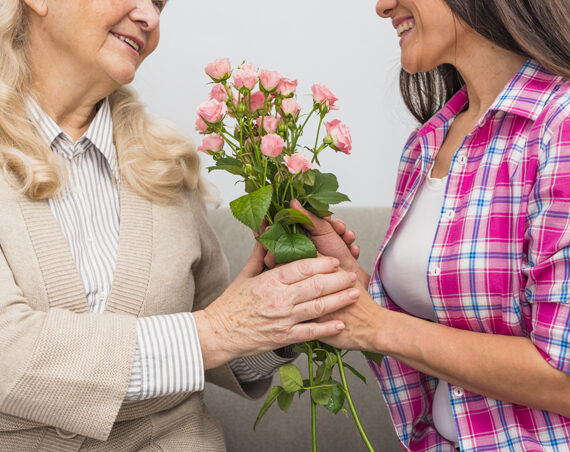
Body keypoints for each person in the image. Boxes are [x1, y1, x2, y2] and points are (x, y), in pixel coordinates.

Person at [0, 1, 363, 450]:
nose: (150, 19)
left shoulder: (164, 163)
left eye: (158, 4)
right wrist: (216, 331)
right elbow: (8, 354)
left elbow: (220, 345)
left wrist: (289, 296)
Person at [292, 0, 570, 450]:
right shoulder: (429, 141)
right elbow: (427, 331)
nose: (382, 7)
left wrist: (375, 326)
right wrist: (347, 284)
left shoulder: (561, 127)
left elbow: (564, 378)